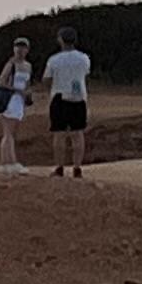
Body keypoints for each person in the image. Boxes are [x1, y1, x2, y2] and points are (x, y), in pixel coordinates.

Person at [44, 24, 93, 178]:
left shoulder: (54, 59)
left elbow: (47, 79)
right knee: (78, 134)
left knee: (59, 134)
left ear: (61, 40)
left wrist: (51, 89)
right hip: (79, 97)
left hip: (60, 96)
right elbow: (85, 74)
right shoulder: (84, 58)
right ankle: (77, 168)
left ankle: (59, 167)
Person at [0, 36, 36, 173]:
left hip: (19, 102)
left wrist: (27, 94)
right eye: (18, 47)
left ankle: (9, 161)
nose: (20, 50)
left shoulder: (28, 66)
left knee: (12, 132)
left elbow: (27, 83)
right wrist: (17, 90)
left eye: (23, 47)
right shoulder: (11, 64)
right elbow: (1, 82)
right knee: (8, 132)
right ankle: (8, 162)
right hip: (10, 100)